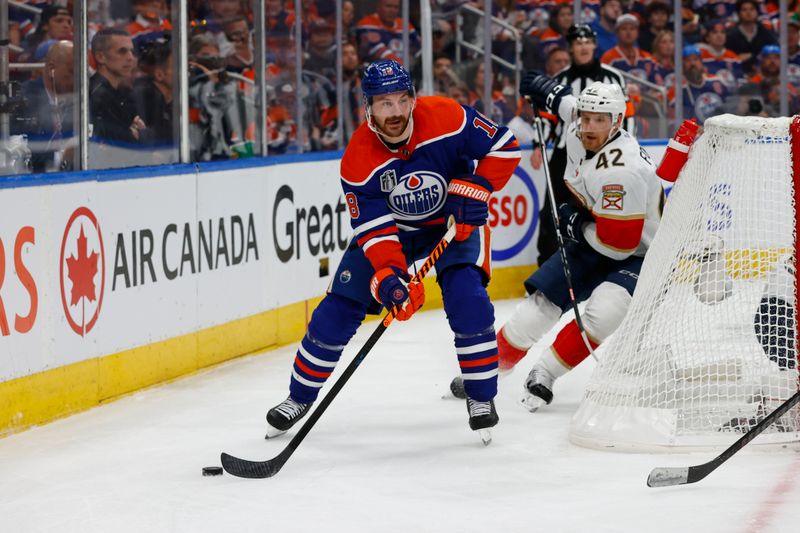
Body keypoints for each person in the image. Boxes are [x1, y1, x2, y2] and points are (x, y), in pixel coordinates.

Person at [264, 59, 521, 443]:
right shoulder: (358, 160)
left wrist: (478, 185)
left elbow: (504, 145)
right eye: (385, 103)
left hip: (454, 223)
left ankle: (481, 397)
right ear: (367, 108)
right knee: (337, 311)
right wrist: (389, 277)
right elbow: (375, 230)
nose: (397, 111)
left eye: (403, 100)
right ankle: (299, 397)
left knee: (468, 298)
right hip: (396, 233)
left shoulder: (447, 116)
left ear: (413, 98)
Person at [452, 75, 662, 411]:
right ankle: (487, 372)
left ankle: (545, 372)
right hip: (597, 231)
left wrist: (575, 224)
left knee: (604, 312)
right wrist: (544, 87)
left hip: (637, 252)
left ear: (618, 122)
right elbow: (565, 102)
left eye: (599, 120)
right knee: (542, 304)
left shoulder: (623, 171)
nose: (589, 126)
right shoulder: (580, 129)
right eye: (586, 117)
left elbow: (617, 246)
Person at [531, 24, 632, 266]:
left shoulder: (613, 77)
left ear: (594, 45)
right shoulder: (561, 79)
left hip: (604, 155)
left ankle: (602, 265)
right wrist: (538, 143)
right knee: (552, 211)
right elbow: (548, 118)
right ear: (571, 47)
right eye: (578, 42)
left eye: (587, 42)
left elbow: (627, 116)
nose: (583, 46)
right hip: (566, 154)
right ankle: (546, 266)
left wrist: (626, 149)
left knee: (602, 209)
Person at [13, 40, 75, 172]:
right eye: (72, 72)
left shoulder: (79, 100)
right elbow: (18, 152)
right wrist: (63, 156)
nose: (78, 79)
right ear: (51, 69)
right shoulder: (21, 100)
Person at [89, 28, 146, 145]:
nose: (131, 58)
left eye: (132, 51)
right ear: (100, 57)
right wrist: (129, 134)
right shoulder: (95, 95)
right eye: (122, 51)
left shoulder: (122, 93)